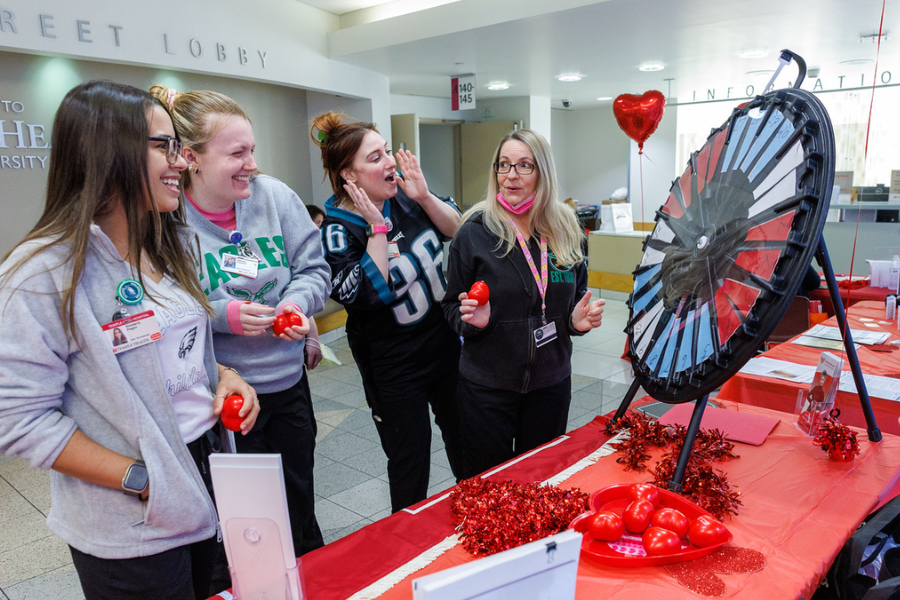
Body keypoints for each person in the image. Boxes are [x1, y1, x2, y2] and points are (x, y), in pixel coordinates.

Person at [0, 81, 259, 600]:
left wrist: (227, 378)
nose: (181, 161)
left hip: (203, 477)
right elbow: (17, 419)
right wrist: (142, 480)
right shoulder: (43, 272)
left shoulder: (165, 243)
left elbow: (177, 355)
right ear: (109, 152)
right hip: (132, 519)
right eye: (164, 146)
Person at [151, 85, 331, 559]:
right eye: (237, 153)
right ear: (191, 157)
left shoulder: (274, 198)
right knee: (247, 530)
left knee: (299, 513)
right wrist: (222, 315)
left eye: (252, 149)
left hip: (288, 386)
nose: (252, 163)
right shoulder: (169, 221)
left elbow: (314, 269)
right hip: (224, 401)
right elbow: (162, 308)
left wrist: (296, 305)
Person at [311, 111, 464, 512]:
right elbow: (366, 295)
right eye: (375, 157)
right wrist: (377, 229)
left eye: (387, 151)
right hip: (394, 367)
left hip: (446, 348)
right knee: (410, 465)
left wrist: (425, 197)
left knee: (470, 445)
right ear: (349, 175)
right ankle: (408, 555)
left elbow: (458, 231)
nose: (390, 161)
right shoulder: (337, 230)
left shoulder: (407, 198)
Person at [442, 129, 605, 479]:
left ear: (542, 172)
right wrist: (473, 320)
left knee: (541, 483)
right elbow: (450, 308)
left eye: (524, 166)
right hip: (488, 387)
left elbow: (575, 298)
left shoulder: (566, 228)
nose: (511, 175)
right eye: (504, 165)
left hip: (550, 386)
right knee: (488, 487)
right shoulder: (475, 231)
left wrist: (576, 320)